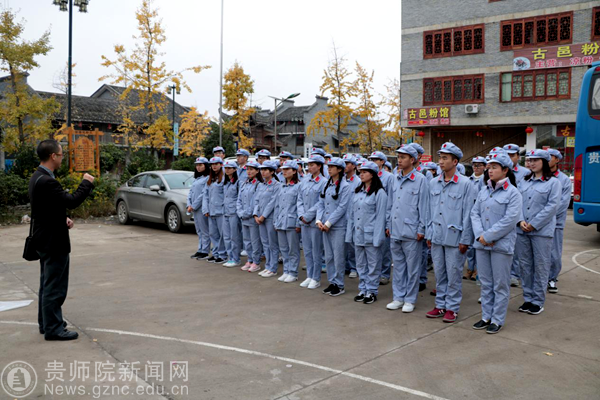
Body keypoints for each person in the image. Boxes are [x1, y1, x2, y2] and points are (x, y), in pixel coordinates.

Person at [29, 139, 95, 341]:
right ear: (53, 156)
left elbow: (46, 208)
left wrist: (62, 218)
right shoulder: (48, 181)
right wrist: (86, 183)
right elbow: (72, 201)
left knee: (47, 284)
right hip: (53, 242)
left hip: (44, 238)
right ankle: (54, 329)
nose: (62, 157)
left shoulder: (37, 177)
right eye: (61, 154)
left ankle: (46, 323)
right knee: (54, 287)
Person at [470, 152, 522, 334]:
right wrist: (480, 235)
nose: (490, 171)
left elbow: (510, 220)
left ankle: (497, 319)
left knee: (500, 284)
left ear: (505, 170)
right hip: (482, 244)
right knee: (485, 282)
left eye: (494, 167)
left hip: (500, 245)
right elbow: (474, 213)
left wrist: (489, 236)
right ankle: (486, 316)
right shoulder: (484, 190)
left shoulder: (513, 193)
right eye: (489, 167)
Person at [426, 142, 475, 323]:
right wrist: (429, 233)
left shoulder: (465, 184)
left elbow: (469, 213)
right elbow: (429, 211)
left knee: (453, 274)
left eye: (445, 158)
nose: (441, 161)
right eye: (440, 158)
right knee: (439, 273)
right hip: (437, 235)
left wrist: (465, 239)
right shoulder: (433, 183)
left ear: (455, 162)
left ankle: (452, 308)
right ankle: (440, 305)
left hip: (455, 237)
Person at [516, 149, 561, 315]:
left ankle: (537, 301)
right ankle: (528, 298)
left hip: (541, 231)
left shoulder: (553, 183)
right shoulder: (523, 181)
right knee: (525, 265)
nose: (531, 163)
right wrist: (520, 220)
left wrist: (534, 224)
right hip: (522, 230)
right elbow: (516, 202)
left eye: (535, 160)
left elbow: (552, 207)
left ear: (544, 162)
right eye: (529, 160)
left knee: (541, 266)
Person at [386, 145, 429, 313]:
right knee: (398, 267)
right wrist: (388, 224)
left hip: (411, 231)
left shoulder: (420, 180)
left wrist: (421, 229)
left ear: (412, 160)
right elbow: (390, 204)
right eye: (399, 157)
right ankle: (398, 297)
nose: (400, 160)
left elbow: (424, 207)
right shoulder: (395, 179)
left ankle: (410, 299)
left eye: (403, 157)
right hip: (395, 229)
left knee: (412, 268)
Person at [346, 161, 388, 304]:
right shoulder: (358, 192)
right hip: (358, 234)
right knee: (360, 264)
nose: (361, 174)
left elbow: (381, 217)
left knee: (373, 265)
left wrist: (378, 238)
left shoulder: (379, 193)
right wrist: (350, 234)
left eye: (365, 172)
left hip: (371, 235)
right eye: (361, 172)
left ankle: (371, 291)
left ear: (373, 174)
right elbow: (351, 215)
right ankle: (363, 289)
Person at [317, 157, 352, 297]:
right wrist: (319, 220)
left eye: (332, 167)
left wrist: (328, 223)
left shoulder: (345, 186)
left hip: (338, 226)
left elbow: (342, 207)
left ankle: (340, 284)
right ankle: (332, 281)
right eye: (329, 166)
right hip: (325, 226)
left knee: (338, 257)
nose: (329, 169)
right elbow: (320, 203)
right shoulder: (327, 184)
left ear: (339, 169)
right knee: (329, 256)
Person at [297, 155, 327, 289]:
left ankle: (316, 277)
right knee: (307, 250)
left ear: (319, 166)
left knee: (316, 251)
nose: (309, 167)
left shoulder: (324, 182)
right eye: (308, 165)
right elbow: (299, 200)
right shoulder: (304, 181)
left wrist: (308, 215)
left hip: (315, 221)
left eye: (312, 165)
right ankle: (309, 275)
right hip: (304, 221)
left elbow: (321, 202)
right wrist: (301, 215)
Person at [367, 151, 394, 285]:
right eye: (371, 159)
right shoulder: (370, 176)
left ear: (382, 162)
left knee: (384, 248)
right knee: (372, 248)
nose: (373, 161)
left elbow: (391, 199)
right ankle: (373, 273)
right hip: (371, 215)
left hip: (384, 214)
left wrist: (388, 220)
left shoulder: (389, 177)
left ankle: (384, 273)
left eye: (376, 159)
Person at [547, 148, 571, 294]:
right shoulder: (541, 177)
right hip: (538, 223)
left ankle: (552, 278)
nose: (547, 159)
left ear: (557, 159)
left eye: (550, 157)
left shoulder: (564, 180)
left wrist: (545, 216)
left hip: (555, 222)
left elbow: (563, 203)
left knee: (554, 252)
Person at [273, 160, 302, 283]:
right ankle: (286, 270)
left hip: (291, 222)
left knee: (293, 249)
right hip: (281, 221)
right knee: (283, 248)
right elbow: (277, 206)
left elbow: (299, 206)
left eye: (287, 169)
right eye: (283, 169)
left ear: (294, 171)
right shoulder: (281, 186)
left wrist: (298, 223)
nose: (284, 171)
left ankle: (293, 272)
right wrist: (275, 221)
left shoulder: (299, 186)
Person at [254, 160, 281, 278]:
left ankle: (273, 268)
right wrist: (255, 215)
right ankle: (268, 266)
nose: (263, 172)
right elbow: (256, 200)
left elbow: (272, 203)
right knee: (265, 243)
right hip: (260, 218)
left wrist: (263, 216)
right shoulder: (261, 185)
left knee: (272, 244)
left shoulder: (277, 185)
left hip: (269, 218)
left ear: (272, 171)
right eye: (262, 170)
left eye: (265, 170)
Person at [237, 161, 263, 273]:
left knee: (254, 241)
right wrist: (240, 212)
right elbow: (239, 200)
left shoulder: (258, 185)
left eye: (252, 169)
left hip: (252, 218)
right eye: (248, 169)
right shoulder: (244, 183)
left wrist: (246, 213)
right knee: (246, 240)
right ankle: (250, 259)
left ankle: (256, 262)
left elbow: (255, 202)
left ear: (257, 171)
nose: (249, 171)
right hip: (243, 217)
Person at [464, 156, 487, 280]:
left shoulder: (485, 180)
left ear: (484, 167)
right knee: (470, 245)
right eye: (474, 165)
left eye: (479, 165)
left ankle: (477, 270)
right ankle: (470, 268)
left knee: (478, 243)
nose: (476, 167)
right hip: (469, 214)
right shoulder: (469, 180)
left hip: (480, 215)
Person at [203, 157, 227, 263]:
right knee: (213, 234)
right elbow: (206, 195)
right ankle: (216, 253)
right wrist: (206, 209)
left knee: (222, 234)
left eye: (216, 164)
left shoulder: (224, 178)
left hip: (221, 211)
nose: (214, 166)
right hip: (211, 211)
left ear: (221, 165)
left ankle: (223, 254)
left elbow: (226, 195)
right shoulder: (210, 179)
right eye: (212, 164)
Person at [188, 157, 211, 260]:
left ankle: (205, 251)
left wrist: (194, 205)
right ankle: (200, 249)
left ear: (205, 166)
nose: (198, 167)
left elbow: (203, 194)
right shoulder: (197, 179)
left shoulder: (208, 178)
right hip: (195, 208)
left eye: (200, 165)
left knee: (204, 230)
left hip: (202, 207)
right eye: (197, 165)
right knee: (199, 230)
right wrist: (189, 204)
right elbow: (190, 193)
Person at [343, 154, 360, 279]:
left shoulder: (358, 181)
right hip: (342, 216)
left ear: (354, 166)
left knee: (352, 244)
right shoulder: (342, 180)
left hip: (352, 216)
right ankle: (346, 265)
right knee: (343, 244)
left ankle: (354, 267)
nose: (344, 165)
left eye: (347, 163)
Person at [222, 161, 242, 267]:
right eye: (226, 168)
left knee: (234, 237)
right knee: (226, 237)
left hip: (234, 212)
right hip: (225, 212)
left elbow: (240, 198)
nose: (227, 170)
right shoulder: (226, 182)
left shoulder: (238, 182)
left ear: (235, 169)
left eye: (230, 168)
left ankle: (236, 258)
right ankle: (230, 257)